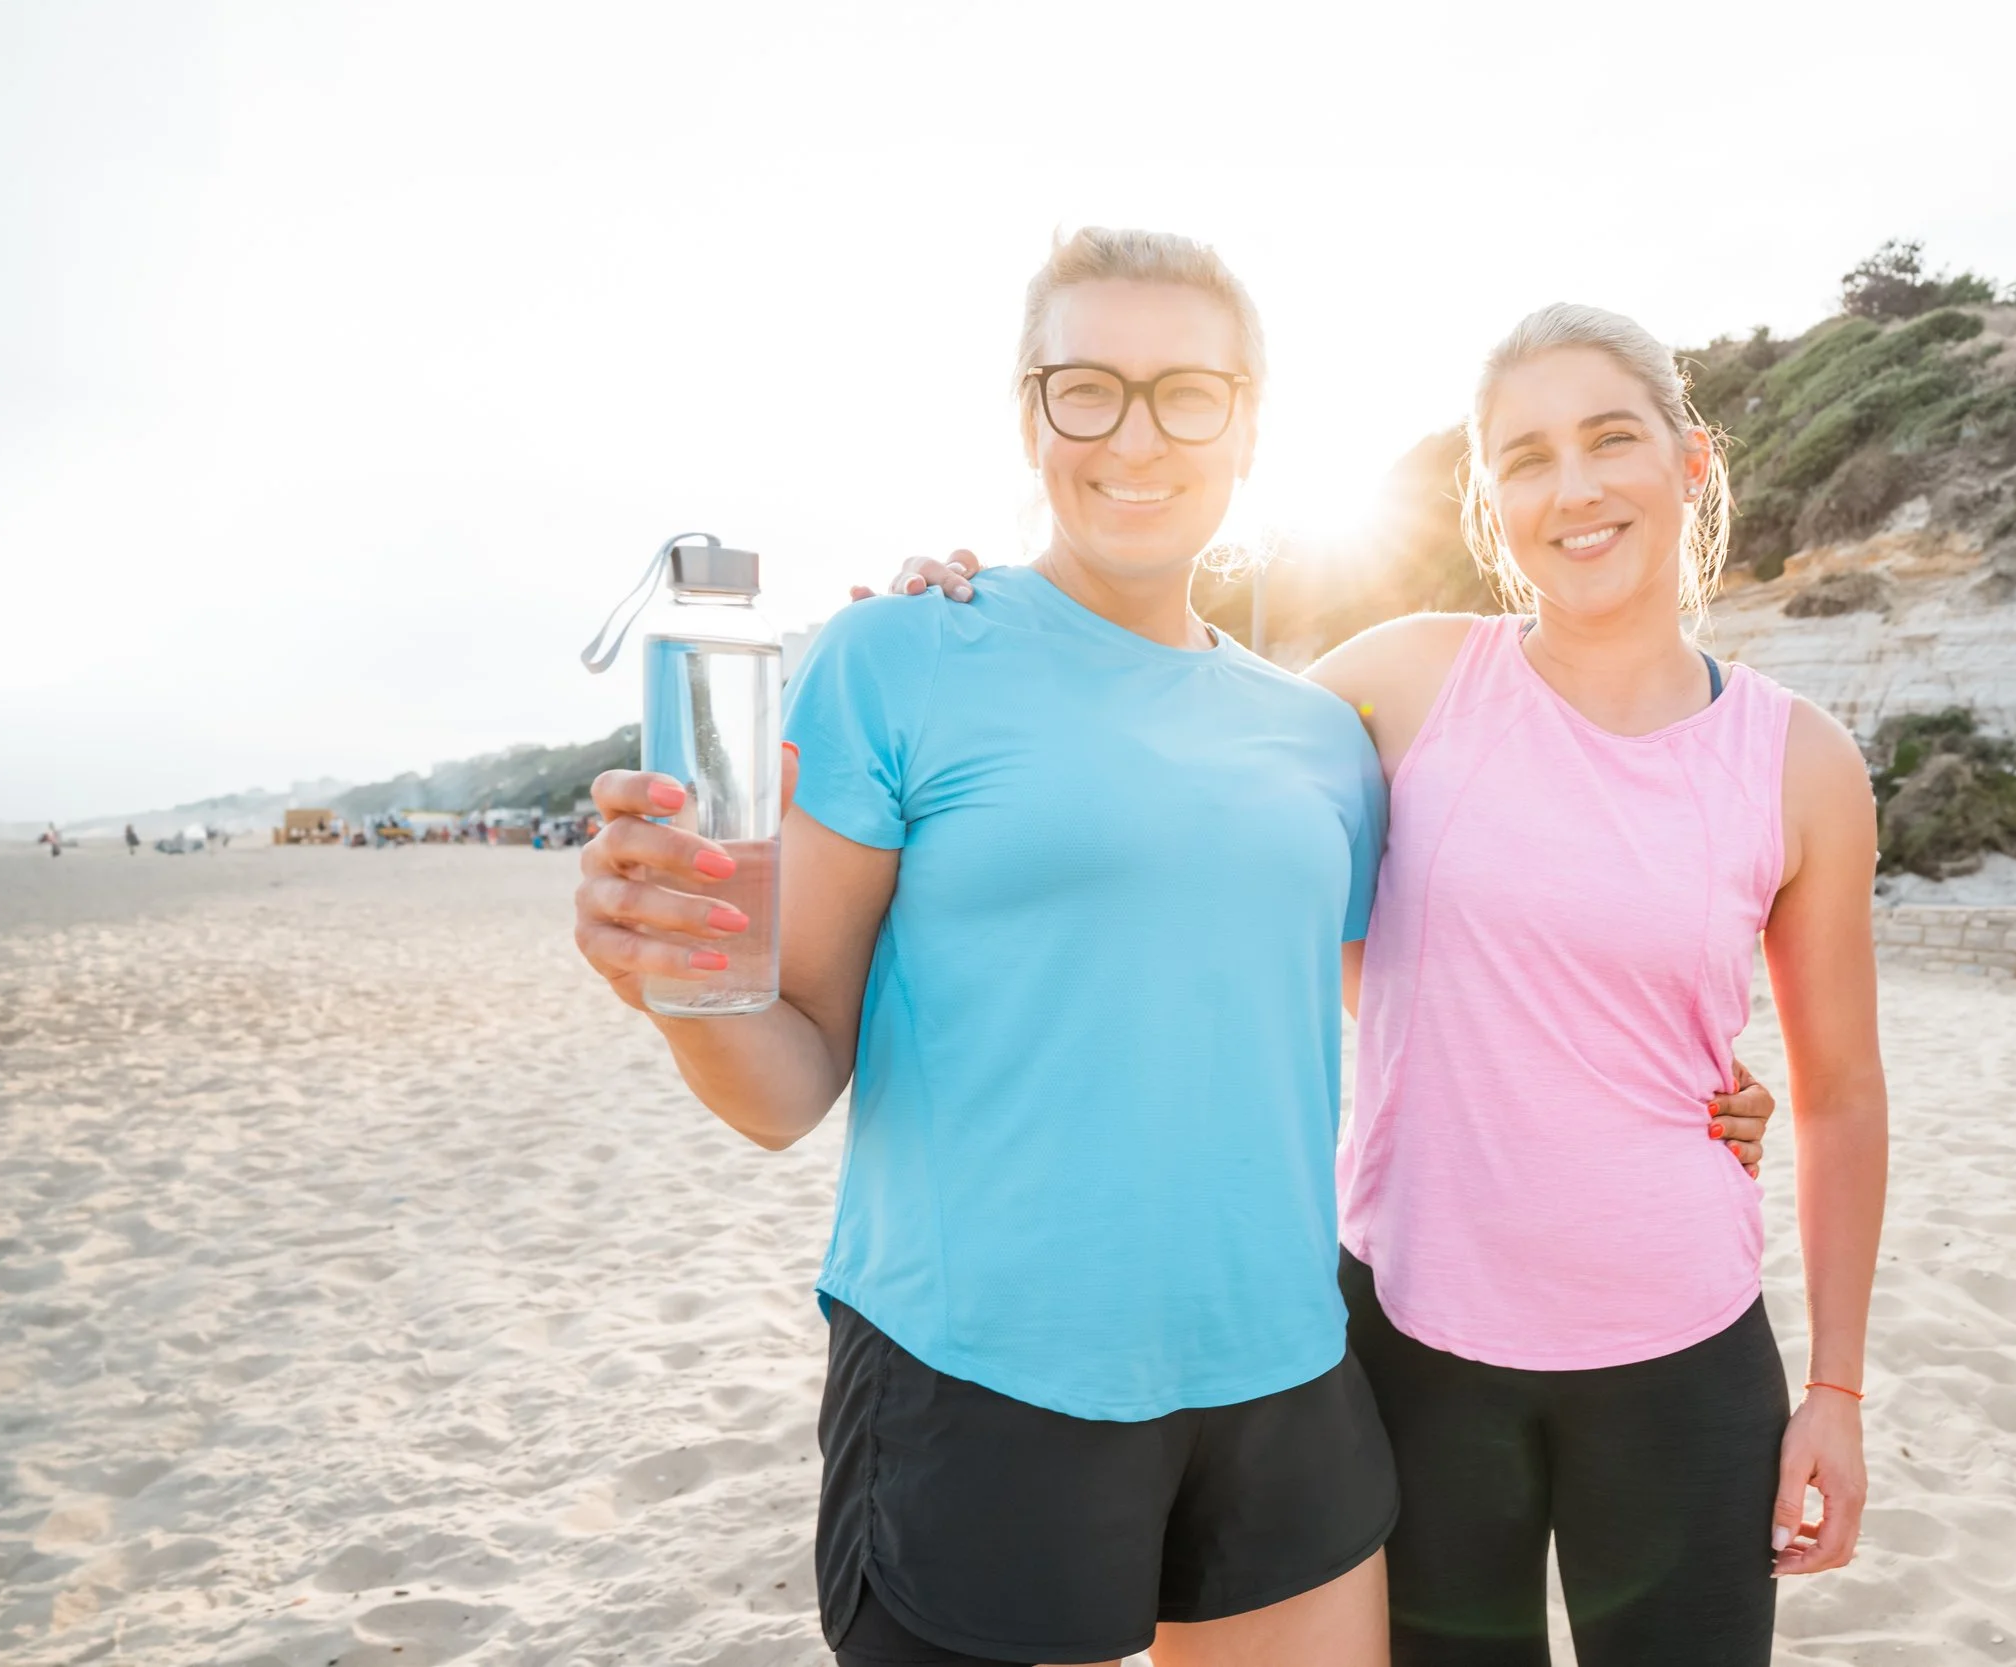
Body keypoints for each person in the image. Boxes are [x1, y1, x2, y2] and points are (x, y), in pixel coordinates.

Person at [575, 228, 1595, 1667]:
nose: (1135, 433)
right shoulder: (897, 656)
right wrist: (671, 986)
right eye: (1087, 387)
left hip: (1282, 1372)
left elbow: (1436, 1005)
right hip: (976, 1376)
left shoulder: (1320, 739)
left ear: (1248, 425)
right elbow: (786, 1079)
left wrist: (1695, 1083)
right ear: (1028, 411)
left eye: (1187, 392)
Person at [889, 301, 1884, 1666]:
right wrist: (984, 620)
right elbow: (1164, 732)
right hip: (1415, 1349)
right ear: (1490, 499)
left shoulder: (1801, 761)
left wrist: (1836, 1385)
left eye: (1610, 439)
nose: (1573, 486)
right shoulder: (1410, 681)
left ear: (1689, 460)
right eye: (1524, 456)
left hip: (1686, 1362)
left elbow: (1838, 1093)